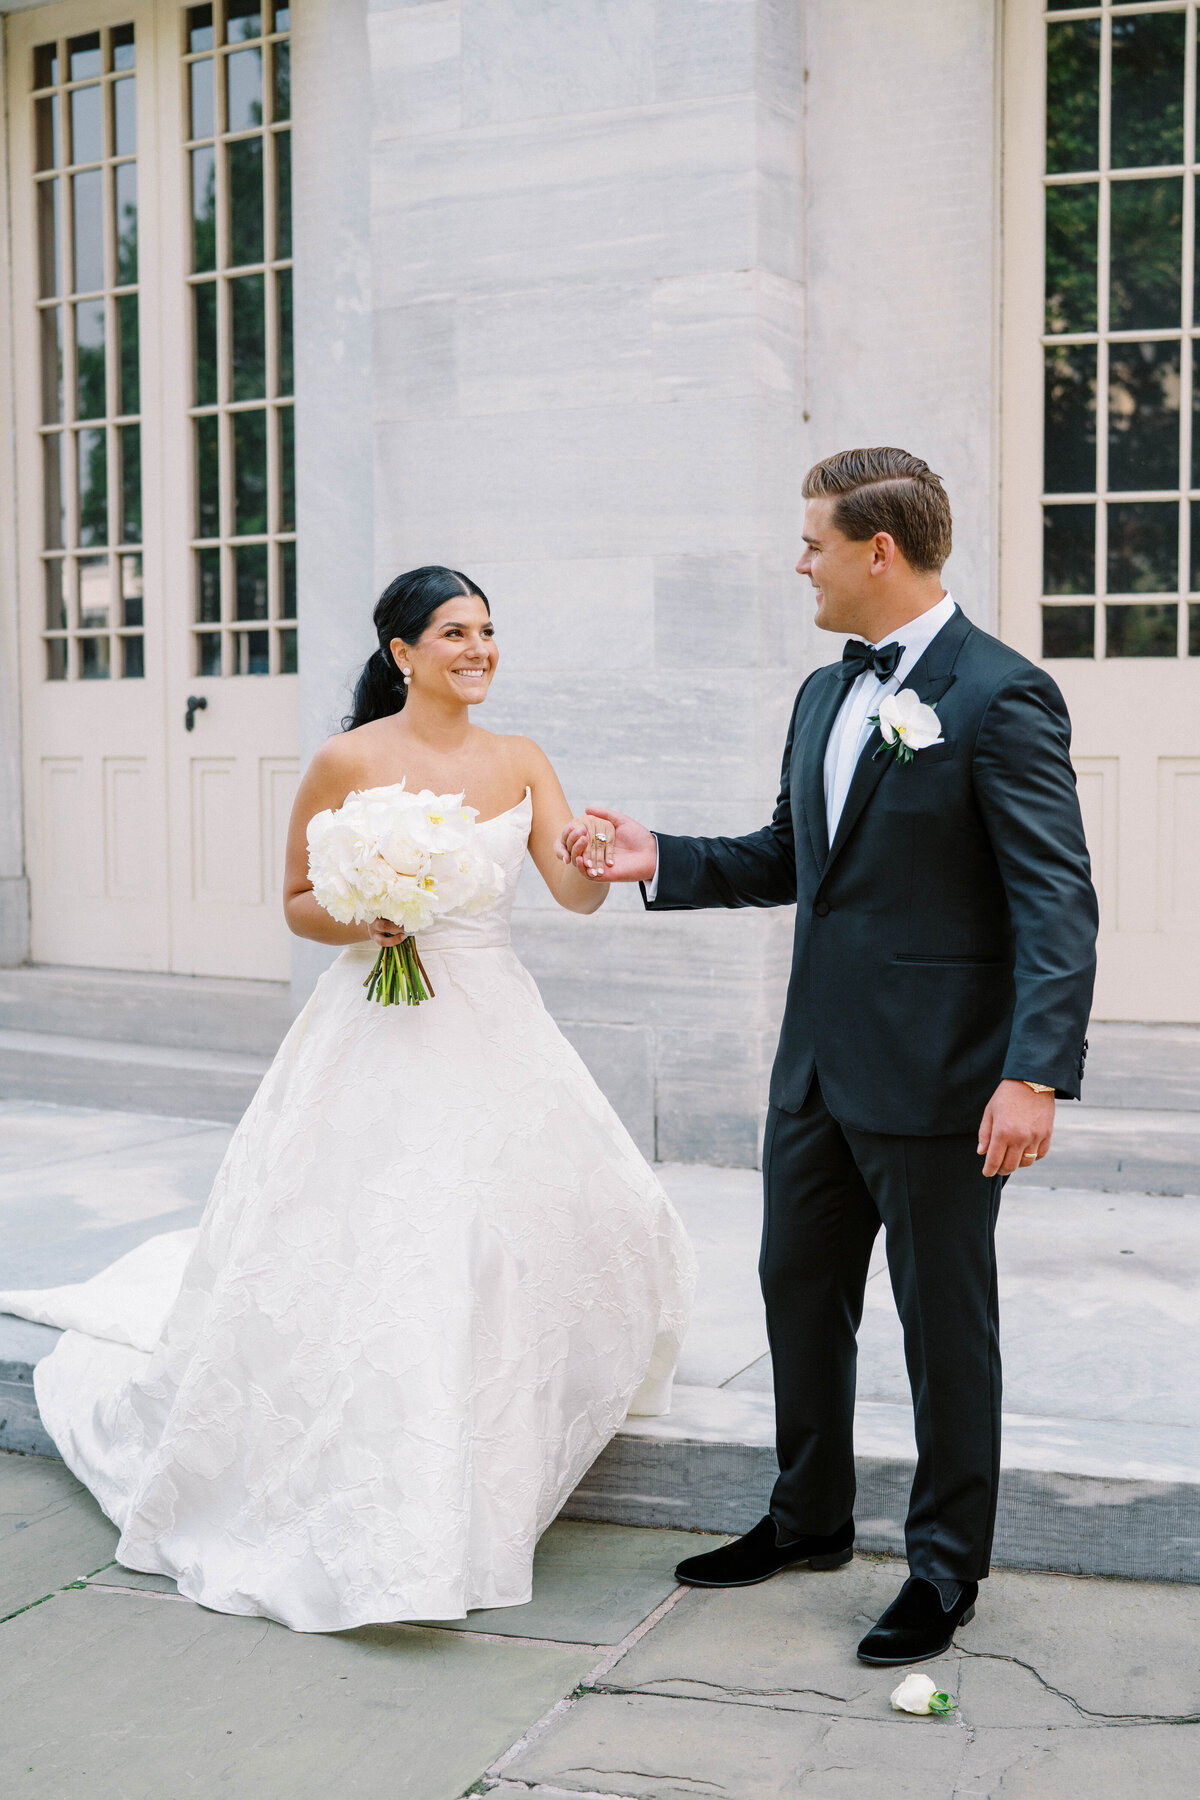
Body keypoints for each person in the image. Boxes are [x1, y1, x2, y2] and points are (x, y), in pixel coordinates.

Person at [1, 565, 695, 1635]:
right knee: (389, 1237)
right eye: (454, 633)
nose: (479, 649)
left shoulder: (522, 761)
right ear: (403, 652)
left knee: (566, 1218)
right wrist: (366, 916)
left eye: (489, 631)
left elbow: (572, 893)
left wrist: (593, 857)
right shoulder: (347, 759)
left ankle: (490, 1445)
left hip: (494, 1016)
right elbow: (294, 902)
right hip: (376, 1022)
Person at [559, 449, 1098, 1666]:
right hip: (813, 1072)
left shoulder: (1003, 696)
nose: (795, 562)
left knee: (943, 1329)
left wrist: (1034, 1072)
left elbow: (1057, 902)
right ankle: (807, 1519)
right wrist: (664, 859)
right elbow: (794, 854)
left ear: (879, 551)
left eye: (812, 543)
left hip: (945, 1082)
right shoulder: (821, 693)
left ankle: (945, 1569)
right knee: (800, 1296)